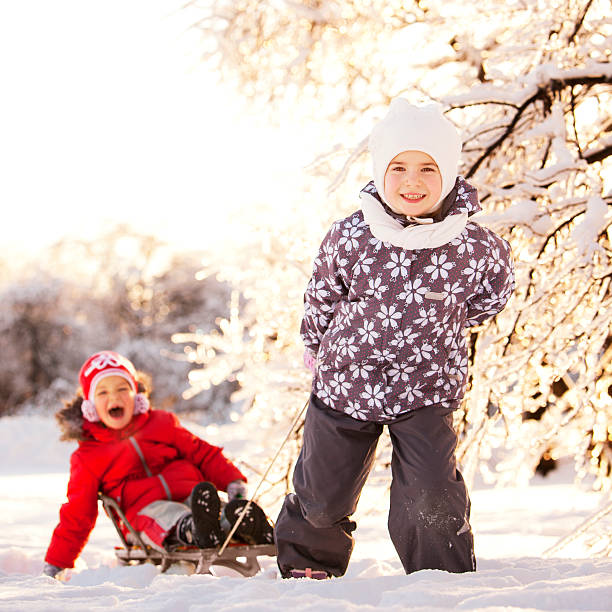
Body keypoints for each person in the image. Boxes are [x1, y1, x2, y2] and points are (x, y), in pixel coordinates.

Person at [275, 99, 515, 579]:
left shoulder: (476, 247)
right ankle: (309, 567)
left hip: (426, 389)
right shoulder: (351, 236)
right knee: (323, 496)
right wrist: (315, 343)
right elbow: (322, 294)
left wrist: (439, 330)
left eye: (428, 168)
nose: (413, 181)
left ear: (448, 173)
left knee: (430, 494)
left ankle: (437, 578)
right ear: (379, 172)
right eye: (398, 167)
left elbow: (490, 299)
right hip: (346, 383)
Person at [43, 350, 274, 579]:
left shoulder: (162, 424)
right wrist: (57, 561)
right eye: (102, 392)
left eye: (123, 389)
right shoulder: (88, 456)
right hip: (143, 515)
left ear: (136, 394)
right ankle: (191, 528)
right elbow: (77, 513)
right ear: (90, 405)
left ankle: (240, 521)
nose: (114, 398)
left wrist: (232, 480)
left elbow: (202, 453)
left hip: (193, 498)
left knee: (209, 507)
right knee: (168, 514)